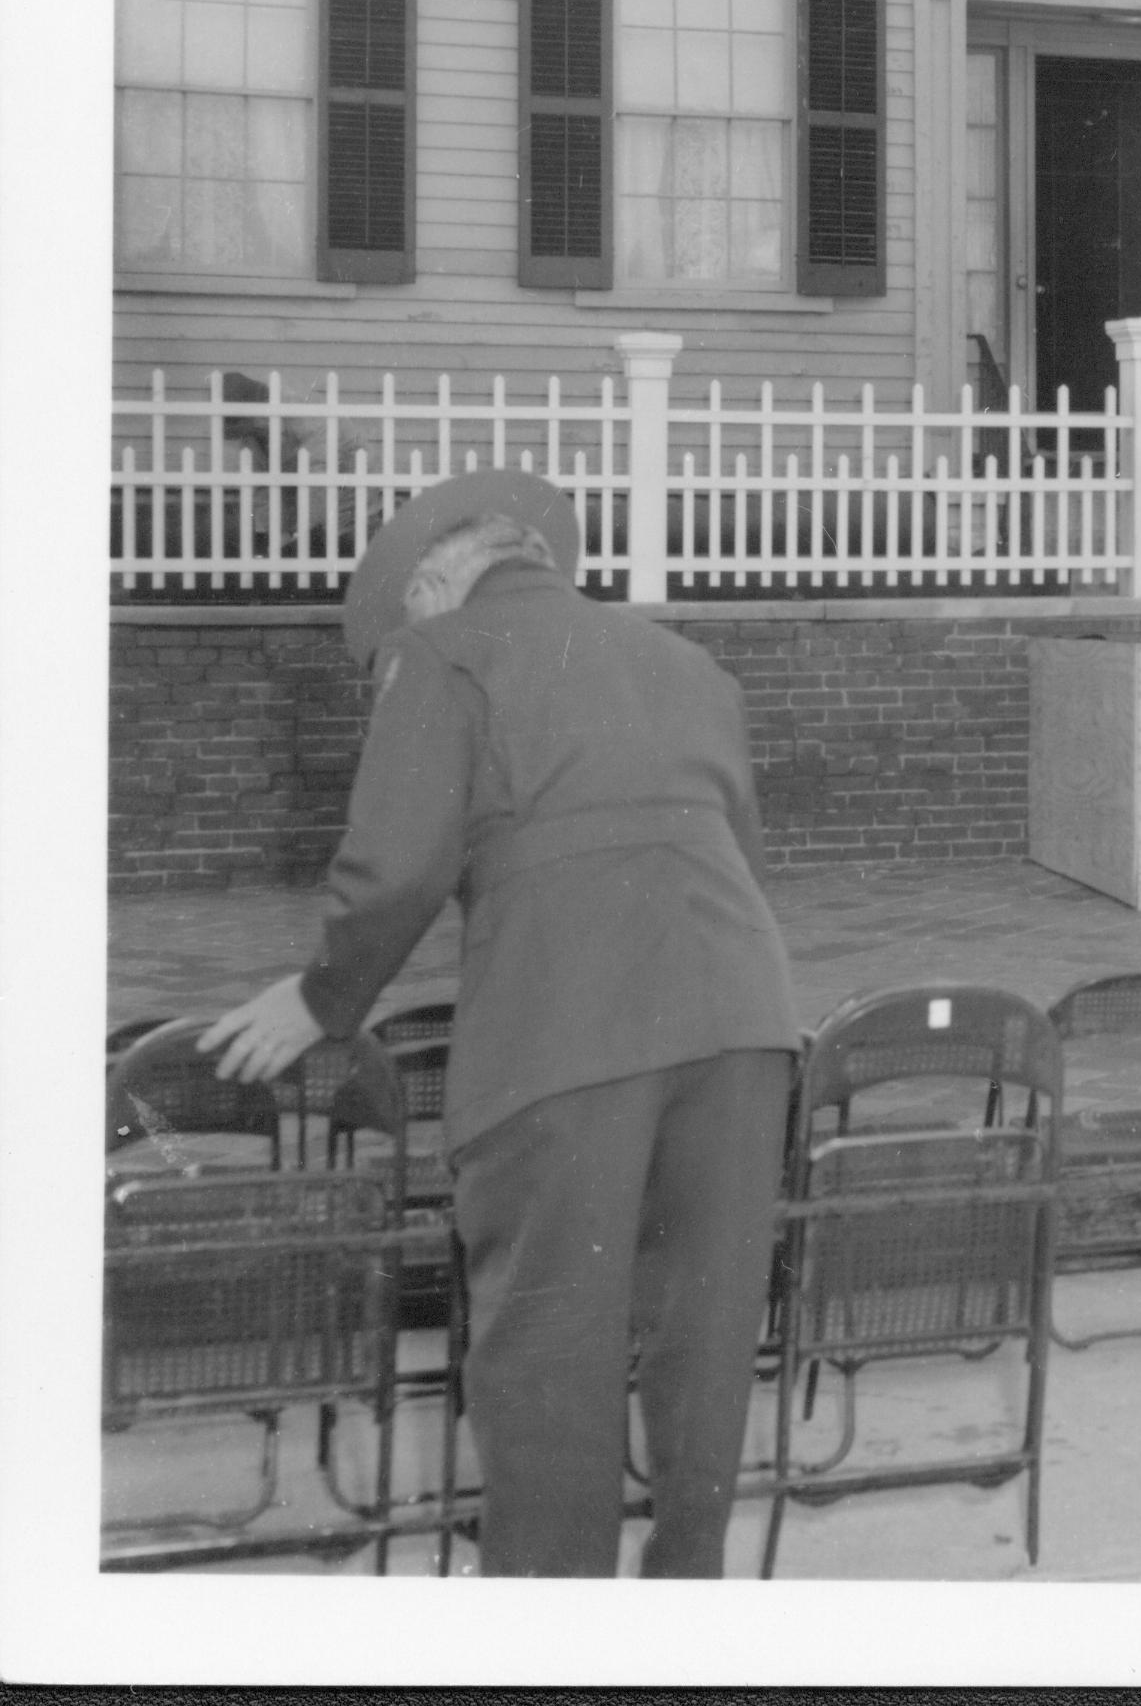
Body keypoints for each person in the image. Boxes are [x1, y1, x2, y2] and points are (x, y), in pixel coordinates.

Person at [198, 467, 801, 1579]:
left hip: (565, 1035)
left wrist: (321, 996)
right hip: (743, 1022)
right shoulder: (687, 662)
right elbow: (744, 862)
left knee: (547, 1358)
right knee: (706, 1339)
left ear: (436, 585)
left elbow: (398, 867)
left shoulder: (443, 654)